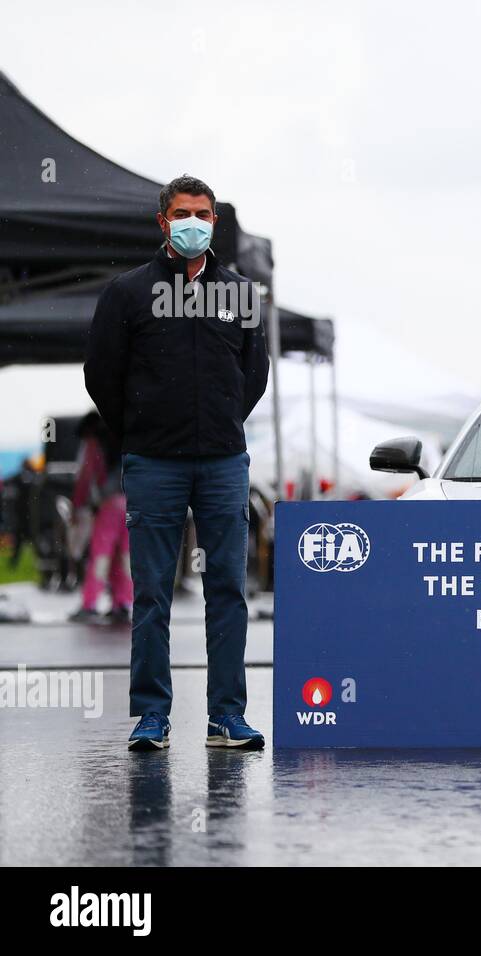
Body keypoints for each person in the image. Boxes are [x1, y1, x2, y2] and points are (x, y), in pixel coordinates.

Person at [84, 175, 269, 752]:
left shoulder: (241, 293)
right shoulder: (127, 294)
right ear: (163, 221)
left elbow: (254, 375)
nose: (196, 222)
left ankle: (226, 717)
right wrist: (141, 431)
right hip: (154, 463)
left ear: (215, 221)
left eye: (205, 213)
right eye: (185, 213)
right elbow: (102, 376)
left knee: (228, 591)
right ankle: (151, 716)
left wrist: (220, 423)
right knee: (152, 593)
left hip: (222, 463)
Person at [68, 412, 132, 624]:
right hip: (130, 501)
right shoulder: (122, 439)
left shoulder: (94, 444)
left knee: (100, 555)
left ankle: (90, 604)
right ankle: (122, 603)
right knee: (123, 556)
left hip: (109, 504)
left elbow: (85, 478)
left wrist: (77, 507)